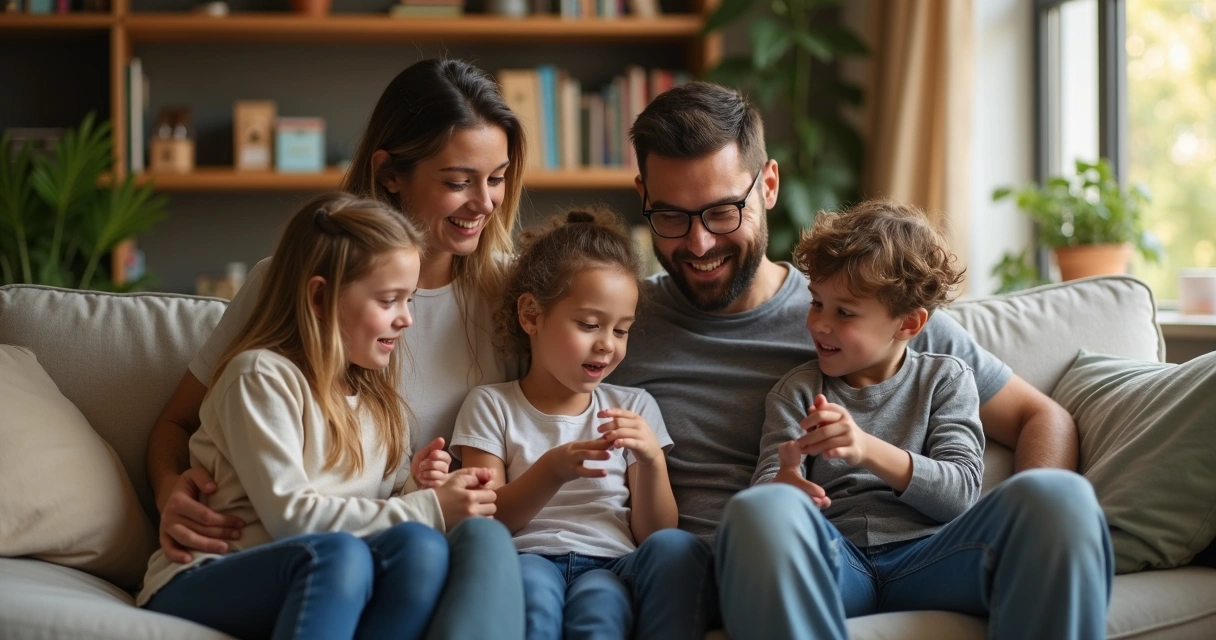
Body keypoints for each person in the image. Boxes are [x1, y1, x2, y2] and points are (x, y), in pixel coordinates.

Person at [609, 81, 1113, 639]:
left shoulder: (874, 306)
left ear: (768, 185)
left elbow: (1040, 417)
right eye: (672, 217)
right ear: (643, 197)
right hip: (779, 563)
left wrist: (1025, 538)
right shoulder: (613, 325)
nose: (700, 244)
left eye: (724, 211)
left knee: (1061, 499)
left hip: (931, 553)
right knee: (764, 513)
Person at [145, 60, 526, 632]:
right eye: (457, 181)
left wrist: (422, 488)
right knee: (350, 558)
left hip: (414, 551)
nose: (486, 202)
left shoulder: (513, 298)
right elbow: (176, 426)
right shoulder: (290, 289)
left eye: (497, 177)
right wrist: (171, 490)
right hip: (299, 555)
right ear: (390, 173)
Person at [451, 208, 714, 640]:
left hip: (612, 563)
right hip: (527, 558)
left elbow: (655, 534)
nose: (606, 345)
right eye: (589, 324)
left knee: (604, 613)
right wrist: (552, 469)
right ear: (531, 315)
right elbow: (488, 522)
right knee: (534, 603)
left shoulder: (635, 407)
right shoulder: (491, 406)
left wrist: (651, 462)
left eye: (621, 330)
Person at [752, 199, 992, 625]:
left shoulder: (946, 379)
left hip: (931, 558)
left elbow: (960, 495)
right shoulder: (799, 391)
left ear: (908, 324)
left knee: (1056, 496)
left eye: (843, 312)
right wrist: (783, 486)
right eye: (816, 303)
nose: (818, 324)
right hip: (841, 564)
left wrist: (865, 448)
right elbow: (770, 490)